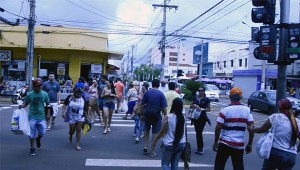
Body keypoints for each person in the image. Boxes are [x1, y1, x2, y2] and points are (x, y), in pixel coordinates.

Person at [248, 98, 300, 170]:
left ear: (279, 107)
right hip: (291, 156)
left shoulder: (275, 117)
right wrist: (295, 151)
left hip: (276, 152)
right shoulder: (297, 122)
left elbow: (262, 129)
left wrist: (252, 129)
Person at [212, 87, 254, 170]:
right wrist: (250, 144)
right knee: (238, 167)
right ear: (241, 98)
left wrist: (215, 142)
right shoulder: (247, 110)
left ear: (230, 97)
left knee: (219, 166)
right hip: (239, 145)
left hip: (224, 143)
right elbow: (252, 128)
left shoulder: (225, 109)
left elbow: (218, 127)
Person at [150, 97, 186, 169]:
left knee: (165, 164)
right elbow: (184, 132)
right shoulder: (183, 117)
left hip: (169, 144)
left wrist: (155, 140)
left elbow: (162, 131)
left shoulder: (168, 117)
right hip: (181, 143)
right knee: (175, 164)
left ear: (173, 106)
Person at [19, 79, 50, 156]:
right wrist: (21, 106)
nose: (39, 87)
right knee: (32, 134)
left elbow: (48, 104)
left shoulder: (44, 94)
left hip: (41, 116)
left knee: (42, 132)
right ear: (34, 86)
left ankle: (38, 138)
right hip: (32, 116)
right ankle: (32, 148)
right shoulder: (30, 94)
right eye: (38, 86)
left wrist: (48, 114)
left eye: (40, 85)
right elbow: (25, 104)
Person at [141, 79, 168, 153]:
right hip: (156, 115)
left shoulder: (147, 93)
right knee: (155, 132)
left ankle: (145, 145)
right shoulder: (161, 94)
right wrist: (166, 116)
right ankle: (152, 150)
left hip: (147, 114)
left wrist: (141, 114)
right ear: (159, 85)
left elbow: (142, 105)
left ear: (151, 84)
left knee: (147, 130)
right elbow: (164, 107)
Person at [191, 86, 211, 155]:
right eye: (199, 90)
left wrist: (201, 109)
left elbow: (209, 109)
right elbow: (191, 105)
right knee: (197, 132)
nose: (200, 92)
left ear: (204, 91)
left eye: (201, 90)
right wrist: (194, 105)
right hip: (196, 117)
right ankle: (198, 147)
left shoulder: (206, 99)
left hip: (203, 118)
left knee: (199, 132)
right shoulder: (195, 98)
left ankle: (201, 148)